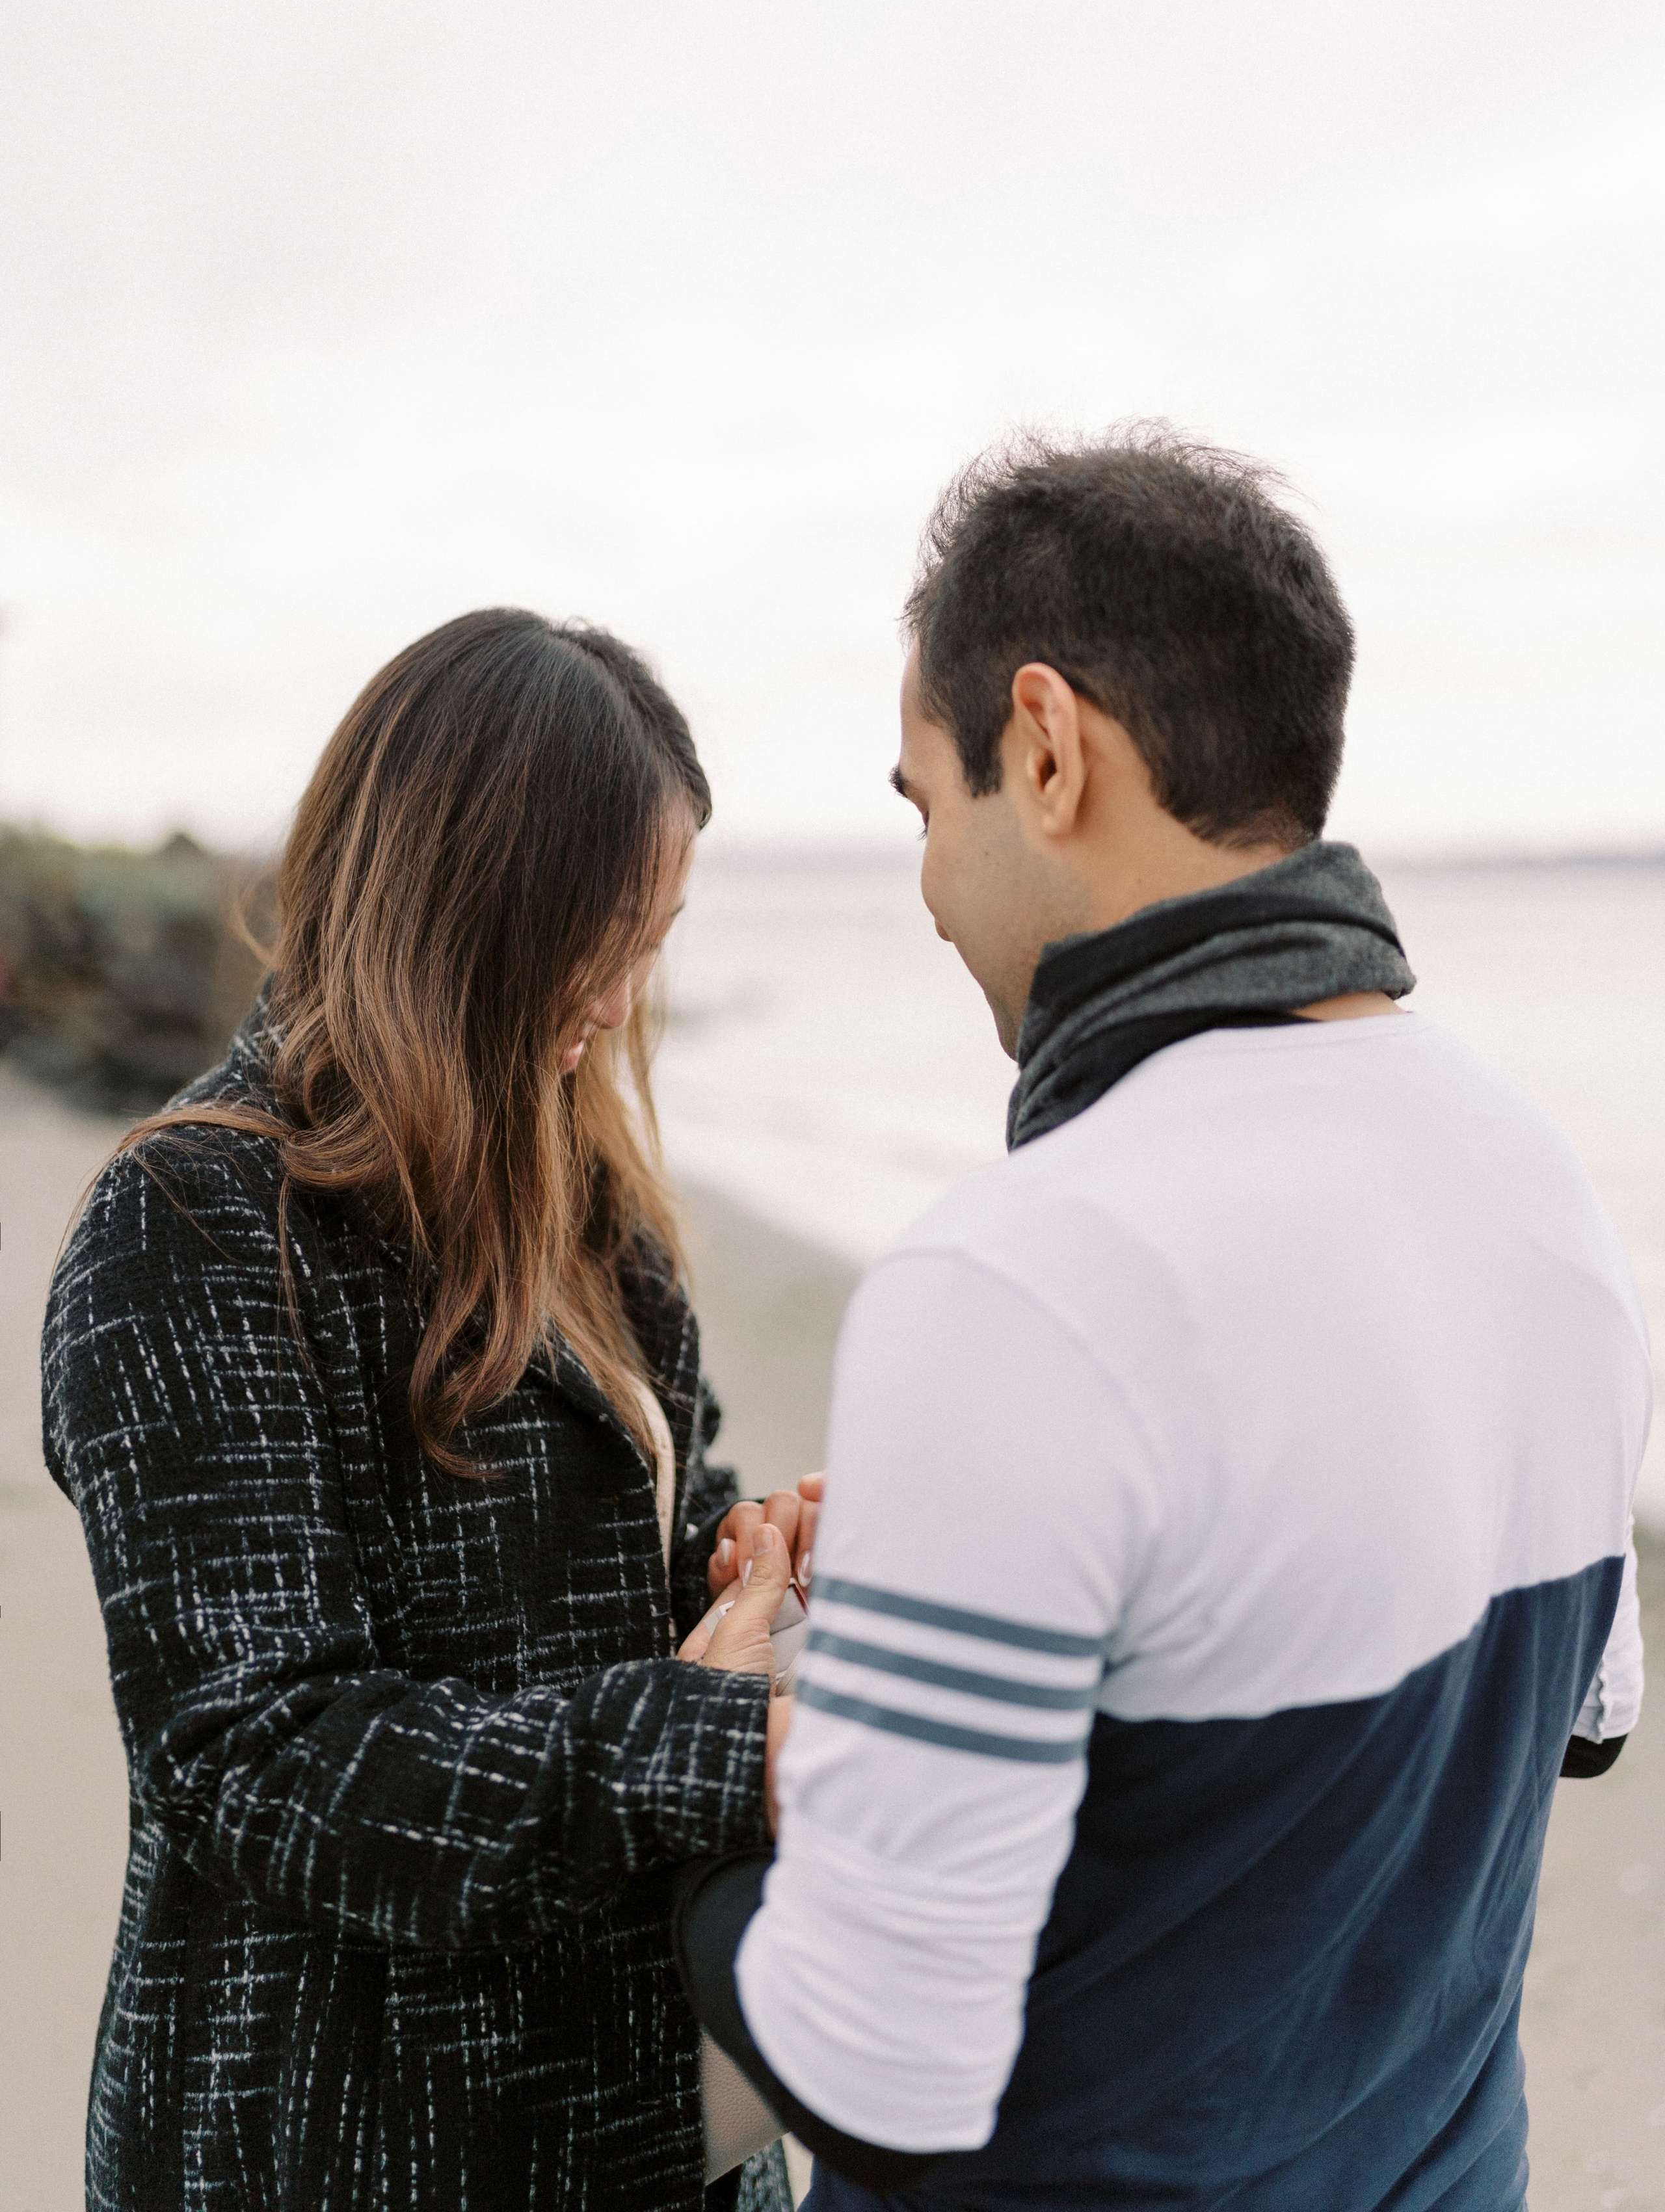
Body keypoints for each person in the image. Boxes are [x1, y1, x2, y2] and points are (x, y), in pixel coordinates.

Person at [676, 430, 1650, 2211]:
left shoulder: (1020, 1287)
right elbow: (1567, 1731)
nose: (924, 887)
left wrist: (700, 1775)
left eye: (922, 802)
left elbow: (877, 2072)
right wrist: (973, 1593)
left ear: (1045, 751)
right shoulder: (1551, 1201)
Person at [42, 609, 812, 2212]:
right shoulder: (191, 1229)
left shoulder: (585, 1196)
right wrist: (718, 1745)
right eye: (602, 927)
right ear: (474, 903)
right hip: (334, 2144)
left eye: (654, 932)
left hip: (646, 2118)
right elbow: (267, 1758)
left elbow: (623, 1538)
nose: (623, 988)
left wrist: (742, 1564)